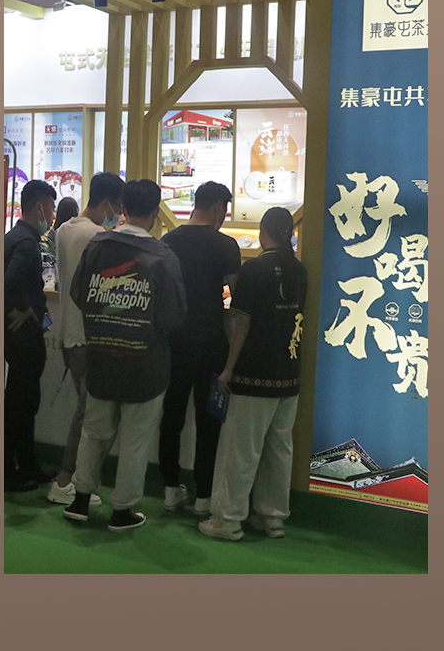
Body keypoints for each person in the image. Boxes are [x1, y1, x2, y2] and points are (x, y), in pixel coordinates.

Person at [63, 179, 186, 531]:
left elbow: (78, 294)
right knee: (135, 442)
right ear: (155, 212)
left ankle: (80, 499)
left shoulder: (97, 246)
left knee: (94, 432)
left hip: (101, 359)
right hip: (145, 367)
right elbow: (173, 317)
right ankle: (122, 511)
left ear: (123, 208)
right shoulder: (162, 257)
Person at [199, 207, 307, 541]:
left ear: (262, 232)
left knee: (241, 450)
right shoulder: (300, 270)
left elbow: (241, 322)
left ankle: (228, 519)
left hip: (254, 373)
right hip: (289, 373)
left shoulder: (254, 270)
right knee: (279, 448)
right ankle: (272, 517)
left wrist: (229, 368)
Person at [158, 182, 241, 518]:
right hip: (211, 344)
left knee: (172, 416)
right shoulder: (226, 245)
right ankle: (204, 496)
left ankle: (169, 488)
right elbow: (238, 300)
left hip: (174, 342)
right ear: (219, 207)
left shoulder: (168, 241)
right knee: (209, 422)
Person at [47, 173, 124, 506]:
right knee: (89, 415)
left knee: (87, 411)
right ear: (106, 204)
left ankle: (72, 481)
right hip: (88, 338)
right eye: (117, 207)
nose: (118, 214)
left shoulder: (65, 229)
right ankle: (67, 481)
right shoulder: (97, 236)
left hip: (69, 334)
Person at [4, 179, 58, 491]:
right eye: (50, 209)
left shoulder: (13, 236)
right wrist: (25, 308)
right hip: (23, 337)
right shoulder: (26, 243)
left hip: (16, 338)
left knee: (20, 403)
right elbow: (9, 280)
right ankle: (11, 471)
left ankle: (27, 464)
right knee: (22, 405)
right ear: (39, 207)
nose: (51, 216)